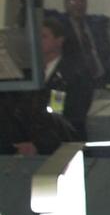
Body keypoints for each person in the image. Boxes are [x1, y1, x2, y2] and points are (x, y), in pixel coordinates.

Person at [0, 17, 93, 154]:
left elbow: (61, 118)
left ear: (59, 41)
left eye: (43, 36)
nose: (37, 41)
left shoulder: (71, 76)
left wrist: (38, 146)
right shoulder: (26, 74)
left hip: (60, 150)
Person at [58, 0, 110, 86]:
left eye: (82, 1)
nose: (78, 5)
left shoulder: (95, 24)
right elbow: (56, 100)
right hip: (75, 83)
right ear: (65, 4)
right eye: (73, 1)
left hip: (103, 81)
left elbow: (107, 55)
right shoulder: (60, 26)